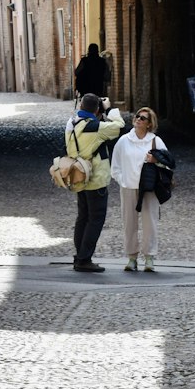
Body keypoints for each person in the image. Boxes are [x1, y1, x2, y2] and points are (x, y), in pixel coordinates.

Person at [65, 92, 123, 273]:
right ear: (97, 109)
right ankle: (84, 259)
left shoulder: (71, 124)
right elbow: (119, 126)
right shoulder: (97, 127)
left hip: (78, 175)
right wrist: (110, 109)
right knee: (95, 219)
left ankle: (79, 256)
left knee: (82, 217)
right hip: (95, 179)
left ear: (81, 106)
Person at [111, 105, 172, 273]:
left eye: (143, 118)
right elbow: (115, 165)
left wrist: (155, 161)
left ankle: (149, 257)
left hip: (149, 189)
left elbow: (168, 164)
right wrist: (122, 180)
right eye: (137, 116)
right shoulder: (124, 141)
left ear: (149, 124)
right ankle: (131, 257)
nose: (138, 119)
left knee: (149, 223)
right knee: (129, 223)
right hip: (129, 187)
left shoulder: (155, 141)